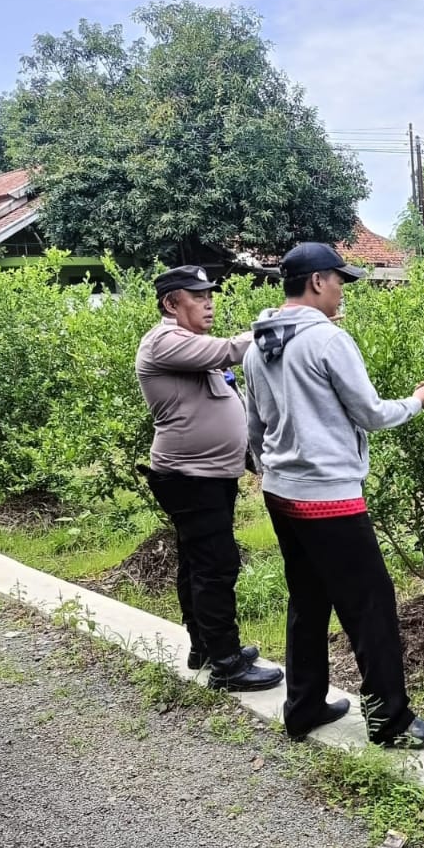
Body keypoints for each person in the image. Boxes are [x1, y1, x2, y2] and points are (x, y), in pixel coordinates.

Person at [243, 243, 424, 747]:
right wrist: (416, 403)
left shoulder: (257, 346)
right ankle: (390, 721)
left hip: (281, 491)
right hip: (328, 496)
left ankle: (303, 707)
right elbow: (370, 414)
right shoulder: (328, 341)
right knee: (370, 604)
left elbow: (254, 426)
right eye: (340, 280)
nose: (342, 290)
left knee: (308, 598)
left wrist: (272, 470)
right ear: (317, 281)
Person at [135, 265, 283, 692]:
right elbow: (231, 350)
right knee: (216, 566)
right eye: (197, 296)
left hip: (205, 476)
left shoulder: (189, 345)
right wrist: (283, 325)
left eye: (209, 295)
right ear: (171, 303)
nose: (209, 303)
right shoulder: (164, 341)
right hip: (191, 478)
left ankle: (205, 647)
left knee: (197, 562)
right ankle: (227, 664)